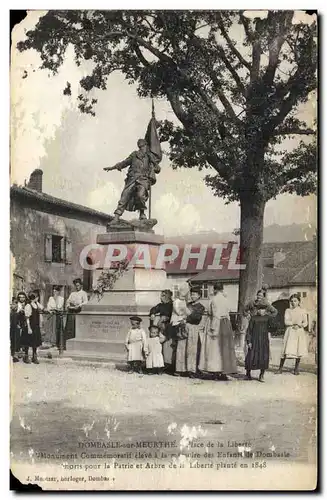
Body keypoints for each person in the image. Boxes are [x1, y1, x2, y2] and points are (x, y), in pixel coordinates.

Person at [104, 138, 161, 222]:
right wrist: (113, 167)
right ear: (140, 147)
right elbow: (125, 162)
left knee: (140, 195)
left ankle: (142, 213)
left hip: (143, 179)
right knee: (124, 196)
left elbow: (158, 169)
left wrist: (155, 167)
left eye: (144, 146)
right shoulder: (134, 155)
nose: (143, 148)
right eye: (141, 146)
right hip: (132, 178)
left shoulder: (149, 157)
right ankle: (116, 217)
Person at [199, 283, 237, 381]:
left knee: (214, 348)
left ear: (215, 289)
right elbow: (228, 313)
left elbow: (215, 315)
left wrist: (213, 328)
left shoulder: (214, 300)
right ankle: (223, 371)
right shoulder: (226, 299)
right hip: (226, 323)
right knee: (224, 348)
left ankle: (215, 371)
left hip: (216, 323)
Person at [245, 299, 277, 382]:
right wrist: (249, 341)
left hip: (264, 341)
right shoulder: (253, 318)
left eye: (262, 309)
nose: (260, 311)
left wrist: (273, 323)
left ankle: (262, 374)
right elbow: (249, 330)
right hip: (254, 341)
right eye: (259, 309)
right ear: (257, 310)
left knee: (264, 357)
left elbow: (273, 328)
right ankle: (248, 373)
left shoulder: (267, 318)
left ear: (265, 310)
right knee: (251, 356)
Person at [276, 293, 308, 375]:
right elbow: (286, 321)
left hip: (299, 331)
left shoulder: (303, 311)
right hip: (290, 331)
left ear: (299, 301)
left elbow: (305, 322)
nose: (293, 303)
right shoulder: (288, 310)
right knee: (286, 349)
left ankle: (296, 369)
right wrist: (295, 323)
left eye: (295, 301)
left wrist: (300, 325)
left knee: (298, 349)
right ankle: (280, 368)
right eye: (292, 301)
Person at [183, 287, 206, 378]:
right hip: (186, 327)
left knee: (194, 349)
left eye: (194, 294)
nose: (192, 296)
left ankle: (193, 369)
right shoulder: (188, 304)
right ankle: (187, 369)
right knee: (186, 348)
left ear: (199, 296)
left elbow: (196, 318)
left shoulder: (200, 307)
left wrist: (186, 317)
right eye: (191, 294)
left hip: (194, 328)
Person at [149, 290, 173, 371]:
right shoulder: (161, 305)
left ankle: (168, 365)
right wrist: (152, 313)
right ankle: (159, 364)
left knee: (167, 347)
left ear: (168, 296)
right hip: (161, 327)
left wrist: (165, 318)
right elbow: (154, 309)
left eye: (162, 296)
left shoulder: (172, 305)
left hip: (169, 328)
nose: (160, 297)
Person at [171, 282, 191, 376]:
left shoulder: (184, 302)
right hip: (177, 324)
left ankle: (183, 368)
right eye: (182, 293)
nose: (183, 295)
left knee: (183, 347)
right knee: (178, 347)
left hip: (183, 323)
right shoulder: (176, 301)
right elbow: (179, 312)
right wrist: (185, 313)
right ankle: (177, 368)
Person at [64, 279, 88, 347]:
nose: (77, 287)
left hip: (78, 312)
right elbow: (68, 301)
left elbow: (86, 302)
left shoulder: (83, 293)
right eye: (76, 286)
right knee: (70, 328)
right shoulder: (72, 293)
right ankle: (68, 343)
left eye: (78, 285)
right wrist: (69, 306)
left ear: (81, 285)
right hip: (71, 312)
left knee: (77, 328)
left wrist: (79, 305)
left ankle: (77, 344)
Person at [21, 292, 43, 364]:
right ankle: (26, 356)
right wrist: (29, 328)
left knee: (35, 341)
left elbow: (42, 307)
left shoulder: (36, 304)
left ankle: (34, 356)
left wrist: (36, 302)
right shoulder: (28, 305)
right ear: (34, 297)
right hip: (30, 326)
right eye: (37, 297)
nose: (38, 298)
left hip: (36, 326)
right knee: (28, 341)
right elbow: (27, 318)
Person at [10, 292, 27, 362]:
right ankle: (15, 354)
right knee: (16, 338)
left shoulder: (27, 304)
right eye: (20, 297)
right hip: (17, 323)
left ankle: (23, 354)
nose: (22, 298)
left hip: (25, 323)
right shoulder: (17, 304)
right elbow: (14, 314)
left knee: (24, 339)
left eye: (23, 297)